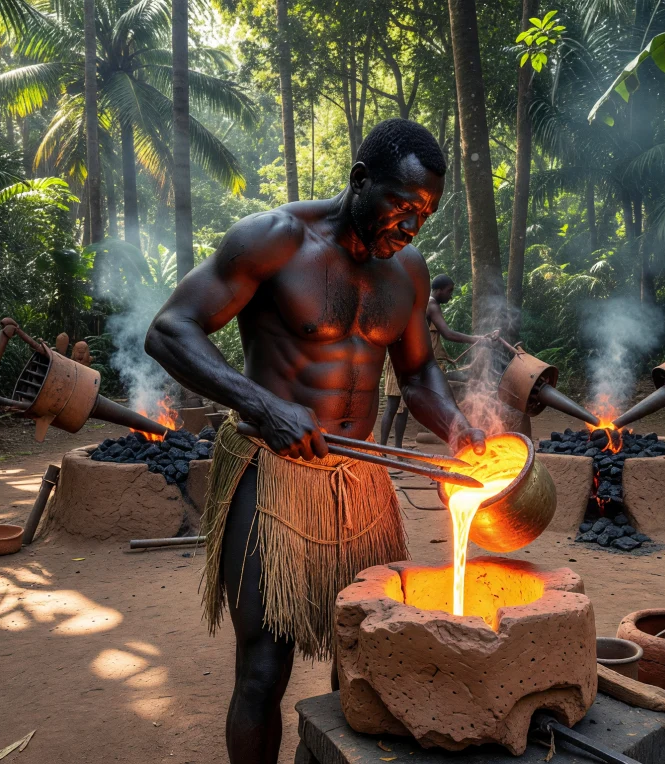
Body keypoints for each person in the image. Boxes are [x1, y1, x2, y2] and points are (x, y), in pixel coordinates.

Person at [145, 118, 486, 764]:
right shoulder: (274, 241)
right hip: (274, 478)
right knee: (262, 672)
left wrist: (456, 425)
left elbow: (416, 377)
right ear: (360, 181)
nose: (411, 227)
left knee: (365, 661)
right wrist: (260, 403)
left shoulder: (408, 272)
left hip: (362, 490)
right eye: (403, 206)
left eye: (425, 215)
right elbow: (169, 331)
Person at [378, 274, 487, 448]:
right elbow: (448, 333)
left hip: (404, 360)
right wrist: (478, 340)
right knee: (393, 406)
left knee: (401, 408)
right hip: (406, 362)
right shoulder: (431, 304)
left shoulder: (421, 304)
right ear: (438, 290)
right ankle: (383, 449)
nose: (450, 296)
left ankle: (394, 450)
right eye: (449, 291)